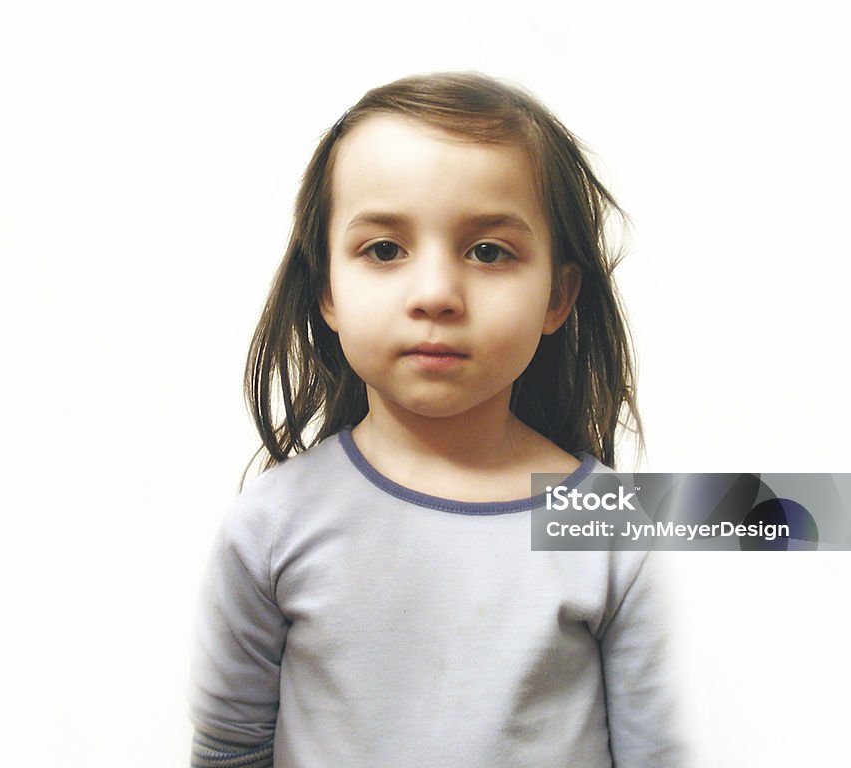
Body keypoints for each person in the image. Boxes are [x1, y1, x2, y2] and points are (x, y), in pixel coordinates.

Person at [188, 72, 686, 768]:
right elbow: (230, 751)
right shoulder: (271, 525)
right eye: (384, 250)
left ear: (558, 296)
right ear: (327, 289)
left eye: (489, 251)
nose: (435, 295)